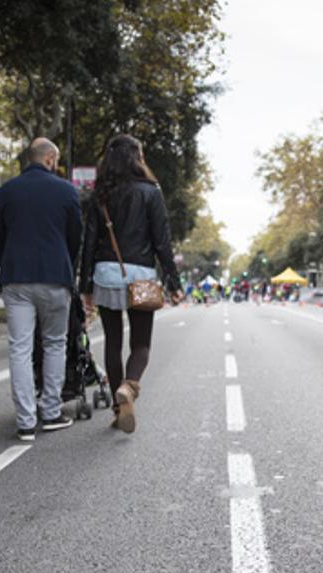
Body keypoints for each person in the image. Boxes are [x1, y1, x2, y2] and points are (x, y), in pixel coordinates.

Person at [79, 134, 184, 433]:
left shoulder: (101, 194)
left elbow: (88, 243)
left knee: (112, 343)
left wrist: (85, 285)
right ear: (138, 158)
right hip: (141, 277)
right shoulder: (151, 192)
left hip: (105, 273)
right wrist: (173, 282)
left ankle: (118, 406)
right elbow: (162, 241)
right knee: (141, 344)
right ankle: (130, 387)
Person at [0, 137, 82, 441]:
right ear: (51, 159)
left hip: (17, 278)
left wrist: (10, 263)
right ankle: (51, 412)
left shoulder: (6, 191)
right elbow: (75, 237)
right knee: (55, 343)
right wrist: (65, 264)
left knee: (20, 347)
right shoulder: (67, 191)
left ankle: (26, 421)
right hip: (56, 277)